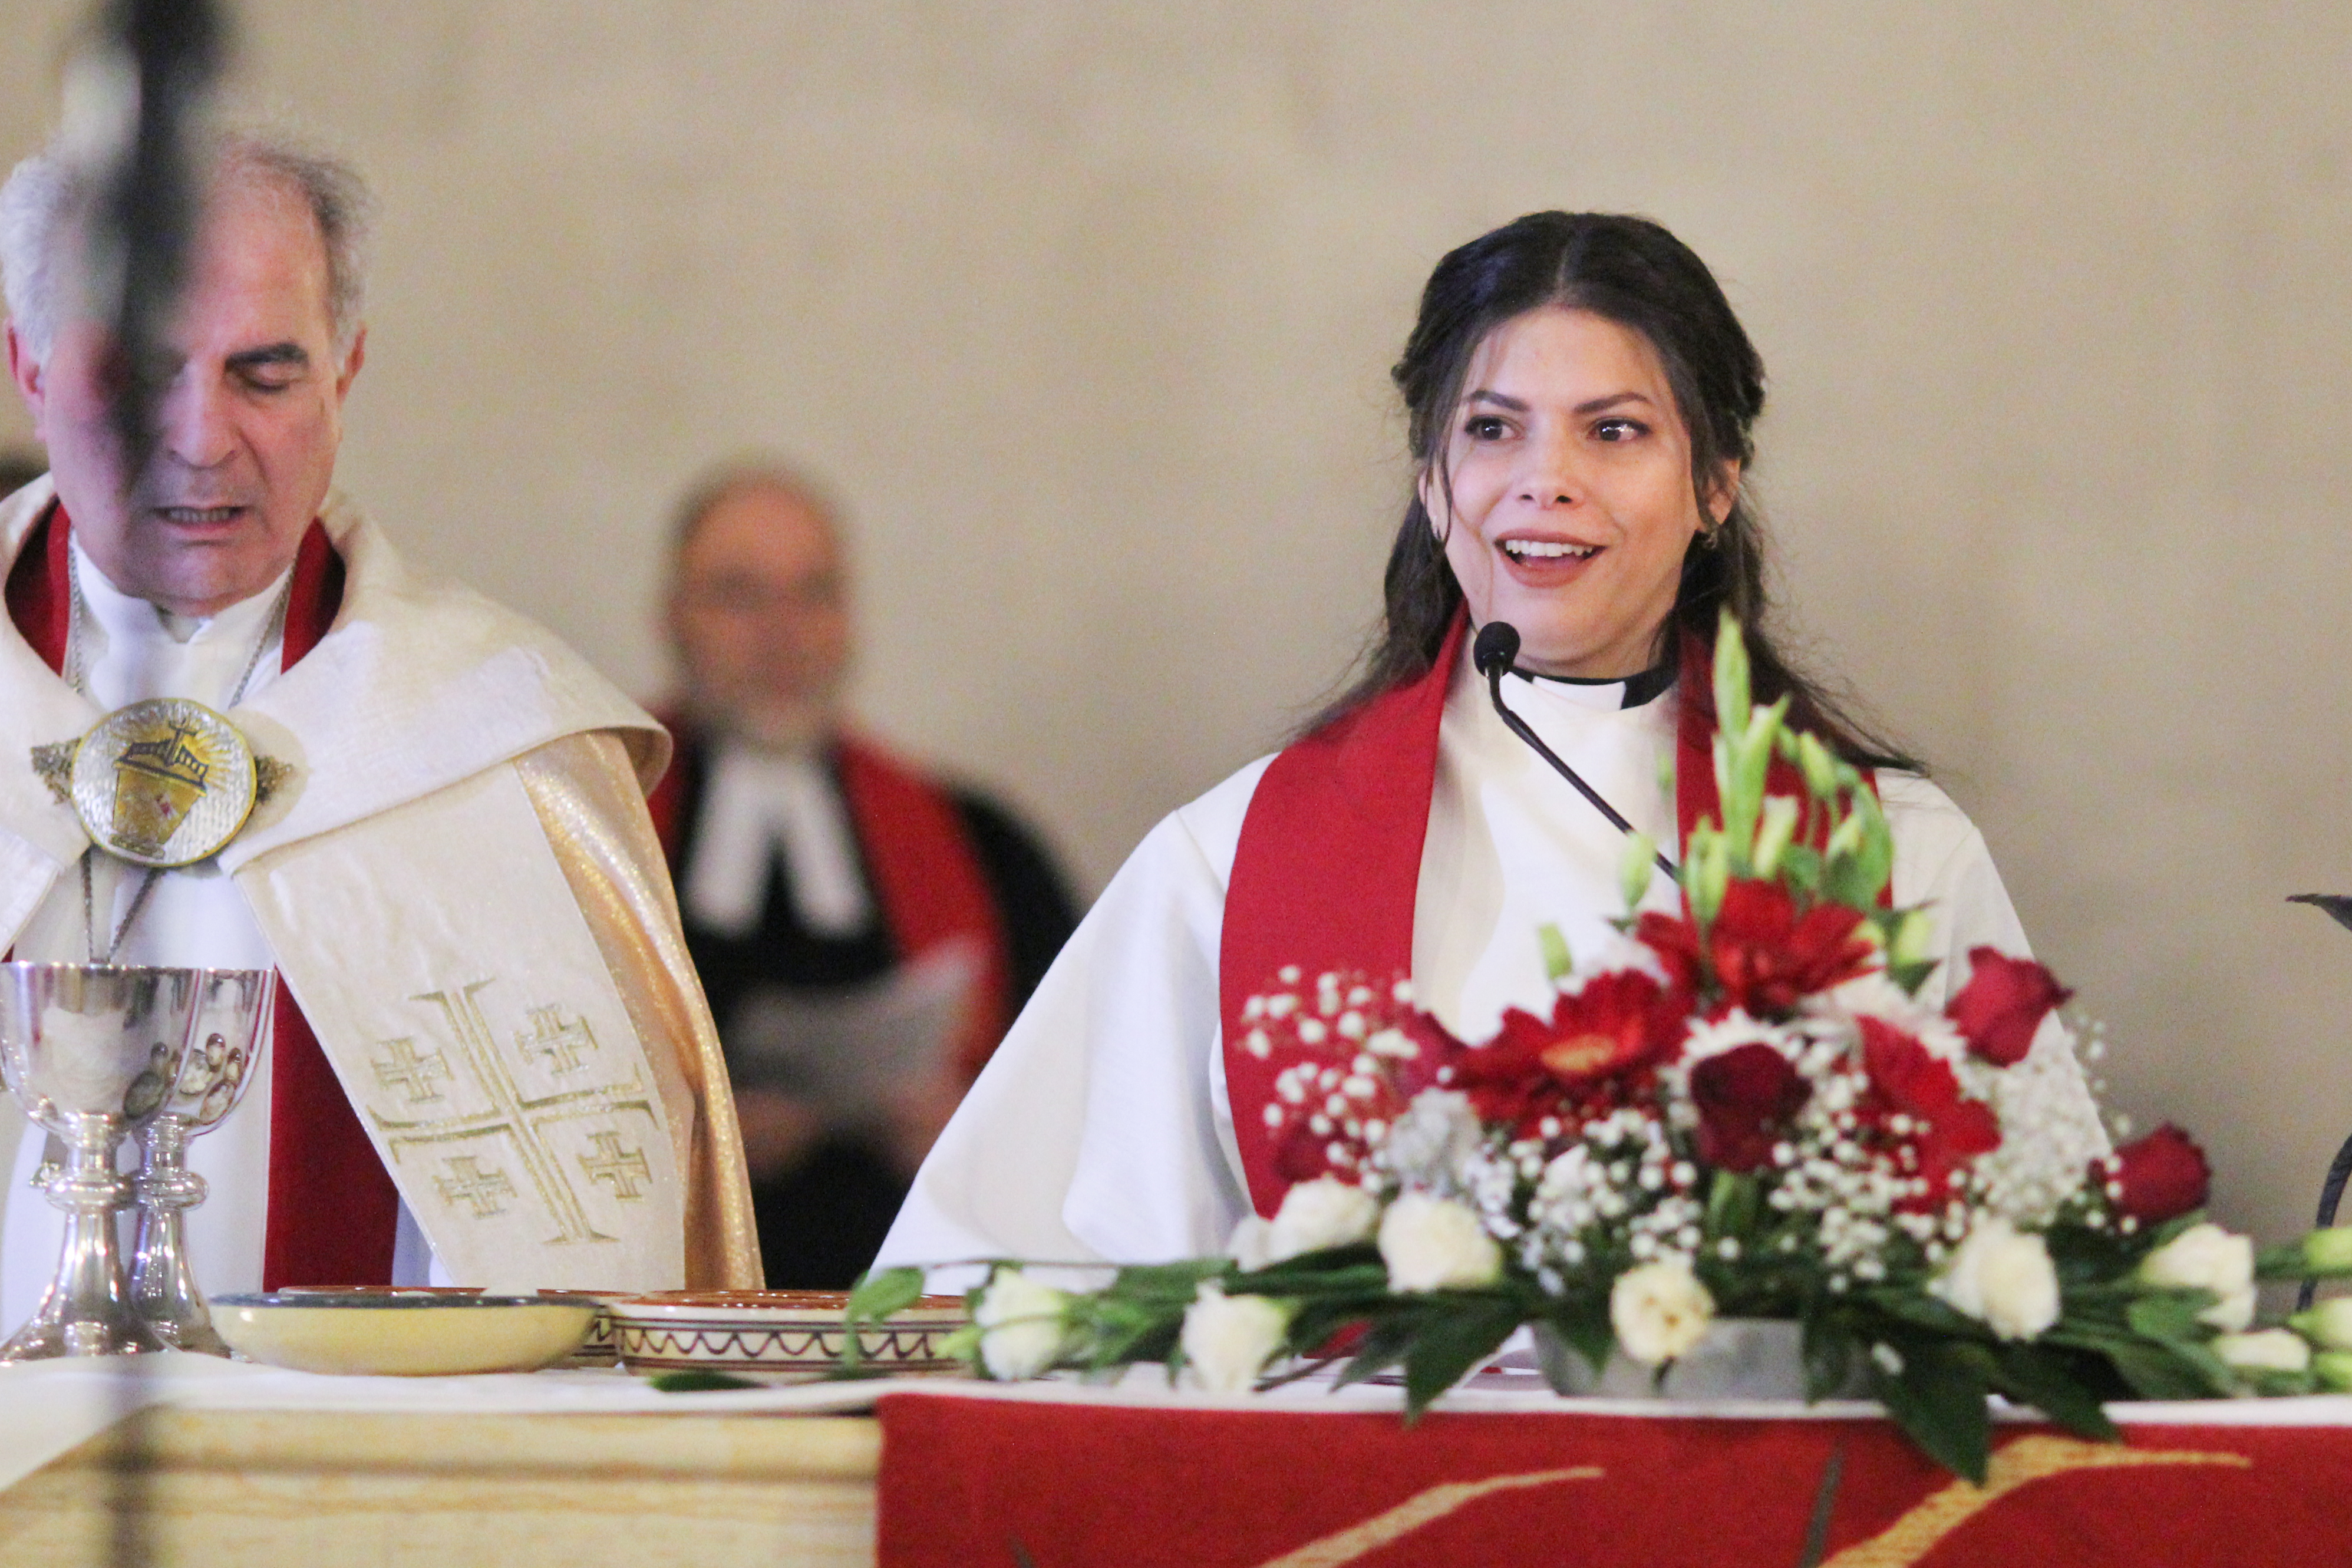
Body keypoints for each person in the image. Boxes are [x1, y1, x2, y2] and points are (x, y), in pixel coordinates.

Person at [876, 212, 2104, 1275]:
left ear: (1717, 480)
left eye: (1613, 431)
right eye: (1493, 429)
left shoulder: (1889, 853)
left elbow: (2045, 1273)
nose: (1543, 481)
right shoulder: (1233, 861)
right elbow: (1012, 1276)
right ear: (1429, 477)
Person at [0, 127, 760, 1323]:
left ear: (345, 372)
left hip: (358, 1482)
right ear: (28, 368)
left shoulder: (497, 745)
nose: (200, 438)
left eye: (265, 373)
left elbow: (601, 1272)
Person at [650, 464, 1078, 1287]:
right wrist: (694, 1138)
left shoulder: (980, 840)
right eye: (740, 595)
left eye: (815, 594)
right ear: (674, 619)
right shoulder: (602, 836)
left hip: (907, 1300)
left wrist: (974, 1134)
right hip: (667, 1296)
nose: (784, 633)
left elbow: (1082, 1082)